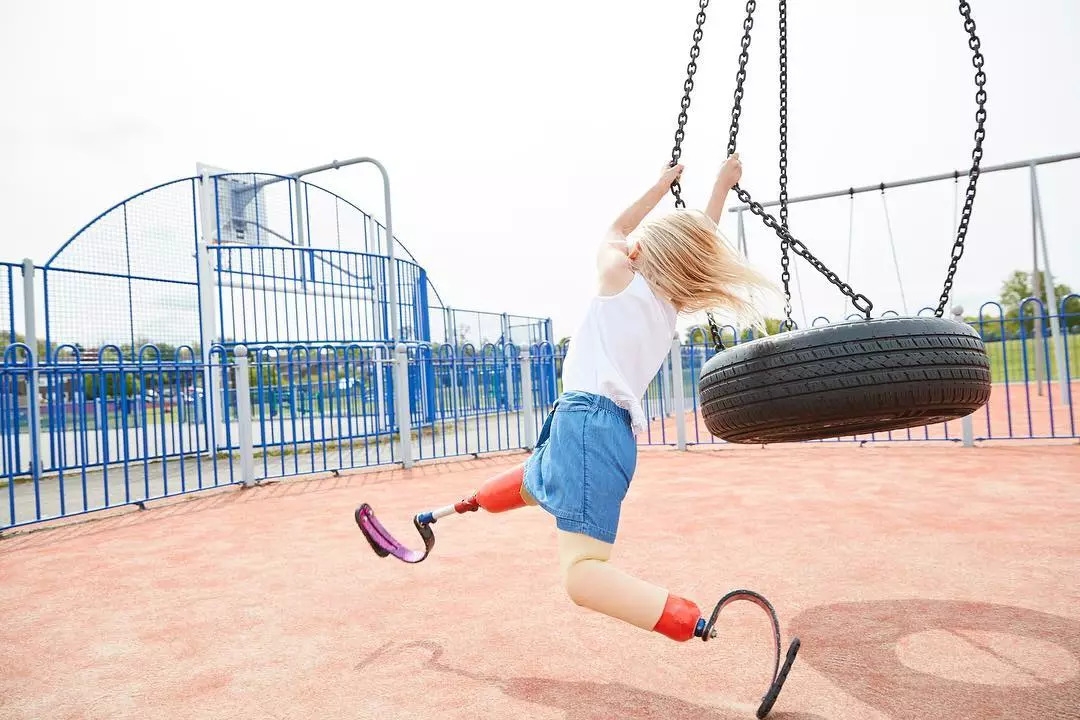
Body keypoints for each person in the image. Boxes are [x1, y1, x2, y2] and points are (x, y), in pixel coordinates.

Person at [439, 153, 780, 642]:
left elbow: (616, 228)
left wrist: (660, 187)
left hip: (585, 423)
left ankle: (694, 622)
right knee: (536, 478)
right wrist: (721, 187)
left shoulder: (620, 278)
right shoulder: (667, 307)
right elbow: (696, 243)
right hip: (609, 434)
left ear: (642, 253)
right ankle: (451, 509)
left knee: (582, 575)